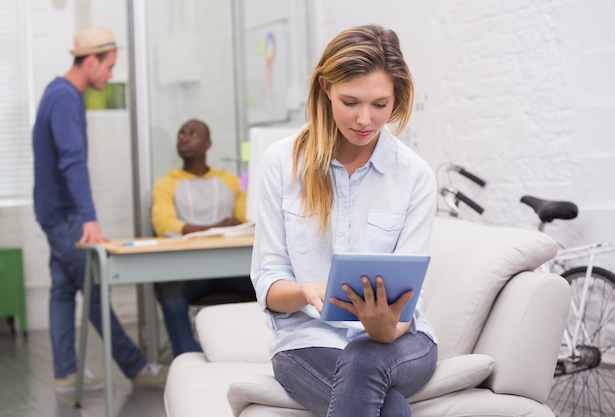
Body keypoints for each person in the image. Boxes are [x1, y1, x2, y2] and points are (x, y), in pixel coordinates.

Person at [251, 24, 438, 416]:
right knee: (386, 403)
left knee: (366, 355)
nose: (365, 120)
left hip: (403, 341)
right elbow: (268, 279)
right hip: (306, 341)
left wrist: (384, 327)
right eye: (350, 102)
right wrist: (306, 291)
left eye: (380, 104)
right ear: (325, 88)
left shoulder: (415, 175)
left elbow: (409, 302)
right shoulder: (282, 163)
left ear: (397, 99)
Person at [32, 26, 167, 393]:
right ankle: (137, 367)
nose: (110, 75)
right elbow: (72, 161)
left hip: (53, 211)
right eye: (109, 66)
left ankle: (64, 372)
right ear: (90, 61)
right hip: (64, 215)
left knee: (62, 289)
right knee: (93, 290)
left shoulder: (59, 93)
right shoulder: (64, 97)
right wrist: (88, 218)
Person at [151, 118, 256, 357]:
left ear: (208, 143)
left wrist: (235, 223)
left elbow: (247, 218)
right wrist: (215, 227)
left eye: (192, 134)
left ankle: (262, 351)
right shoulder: (165, 184)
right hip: (189, 273)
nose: (184, 138)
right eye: (181, 134)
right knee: (170, 293)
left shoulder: (232, 180)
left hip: (232, 269)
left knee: (271, 285)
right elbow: (164, 224)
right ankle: (190, 359)